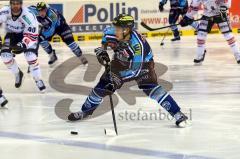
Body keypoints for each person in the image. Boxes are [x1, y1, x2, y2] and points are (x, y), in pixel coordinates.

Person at [68, 14, 189, 127]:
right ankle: (85, 111)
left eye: (117, 28)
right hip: (120, 62)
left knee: (152, 89)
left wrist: (115, 80)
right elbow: (105, 40)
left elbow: (135, 71)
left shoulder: (137, 47)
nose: (114, 31)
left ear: (126, 30)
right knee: (101, 87)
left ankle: (178, 114)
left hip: (143, 66)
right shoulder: (113, 32)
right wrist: (103, 52)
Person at [0, 0, 46, 92]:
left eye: (17, 3)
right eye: (13, 4)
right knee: (5, 56)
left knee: (30, 56)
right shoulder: (4, 11)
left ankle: (38, 79)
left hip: (27, 35)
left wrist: (23, 43)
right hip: (11, 34)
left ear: (21, 4)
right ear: (10, 4)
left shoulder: (28, 15)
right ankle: (17, 73)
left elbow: (32, 34)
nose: (15, 6)